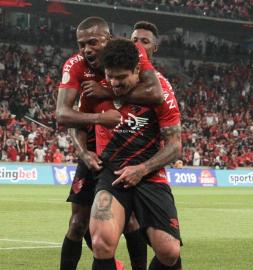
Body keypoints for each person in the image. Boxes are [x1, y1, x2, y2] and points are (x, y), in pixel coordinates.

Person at [56, 16, 164, 270]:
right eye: (81, 44)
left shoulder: (131, 53)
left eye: (93, 42)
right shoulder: (76, 65)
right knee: (77, 224)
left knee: (131, 223)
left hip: (127, 146)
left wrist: (108, 92)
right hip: (93, 151)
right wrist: (87, 144)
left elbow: (155, 93)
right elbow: (64, 115)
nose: (86, 50)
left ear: (109, 38)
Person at [80, 39, 183, 270]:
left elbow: (175, 147)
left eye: (122, 78)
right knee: (101, 242)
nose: (115, 84)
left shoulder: (162, 93)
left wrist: (142, 169)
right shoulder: (95, 89)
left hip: (150, 174)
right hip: (112, 172)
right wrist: (83, 150)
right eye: (110, 77)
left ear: (137, 70)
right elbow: (75, 122)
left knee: (169, 251)